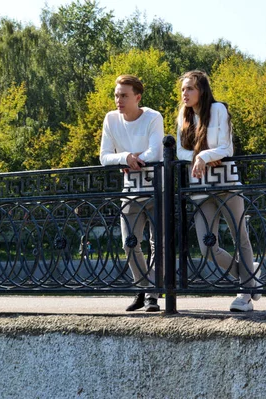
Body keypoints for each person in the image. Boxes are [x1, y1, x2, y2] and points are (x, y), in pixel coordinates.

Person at [176, 70, 261, 312]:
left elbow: (226, 147)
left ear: (201, 90)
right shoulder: (183, 116)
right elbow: (180, 152)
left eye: (190, 88)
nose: (185, 93)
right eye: (183, 89)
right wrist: (200, 157)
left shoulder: (218, 110)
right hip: (200, 185)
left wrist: (204, 154)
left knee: (239, 236)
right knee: (207, 245)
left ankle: (244, 294)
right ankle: (249, 276)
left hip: (226, 182)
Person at [100, 74, 163, 312]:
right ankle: (143, 287)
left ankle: (151, 296)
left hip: (157, 188)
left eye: (124, 95)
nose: (119, 100)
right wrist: (124, 157)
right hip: (130, 189)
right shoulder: (111, 119)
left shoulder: (153, 117)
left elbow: (156, 153)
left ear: (137, 97)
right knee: (129, 242)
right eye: (116, 95)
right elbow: (104, 156)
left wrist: (134, 158)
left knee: (158, 245)